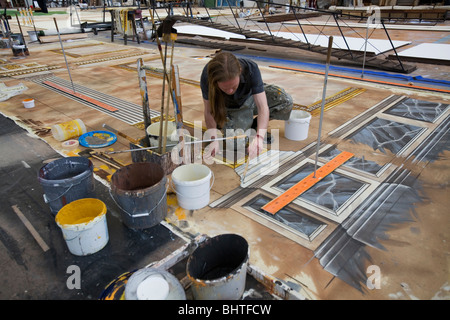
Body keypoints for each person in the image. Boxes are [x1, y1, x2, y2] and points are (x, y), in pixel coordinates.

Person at [200, 51, 293, 159]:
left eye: (234, 86)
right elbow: (208, 111)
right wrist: (214, 139)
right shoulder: (208, 75)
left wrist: (259, 137)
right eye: (225, 88)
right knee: (236, 144)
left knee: (285, 101)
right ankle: (227, 122)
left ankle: (254, 127)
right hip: (229, 107)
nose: (230, 91)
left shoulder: (250, 68)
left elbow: (263, 107)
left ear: (240, 72)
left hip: (251, 98)